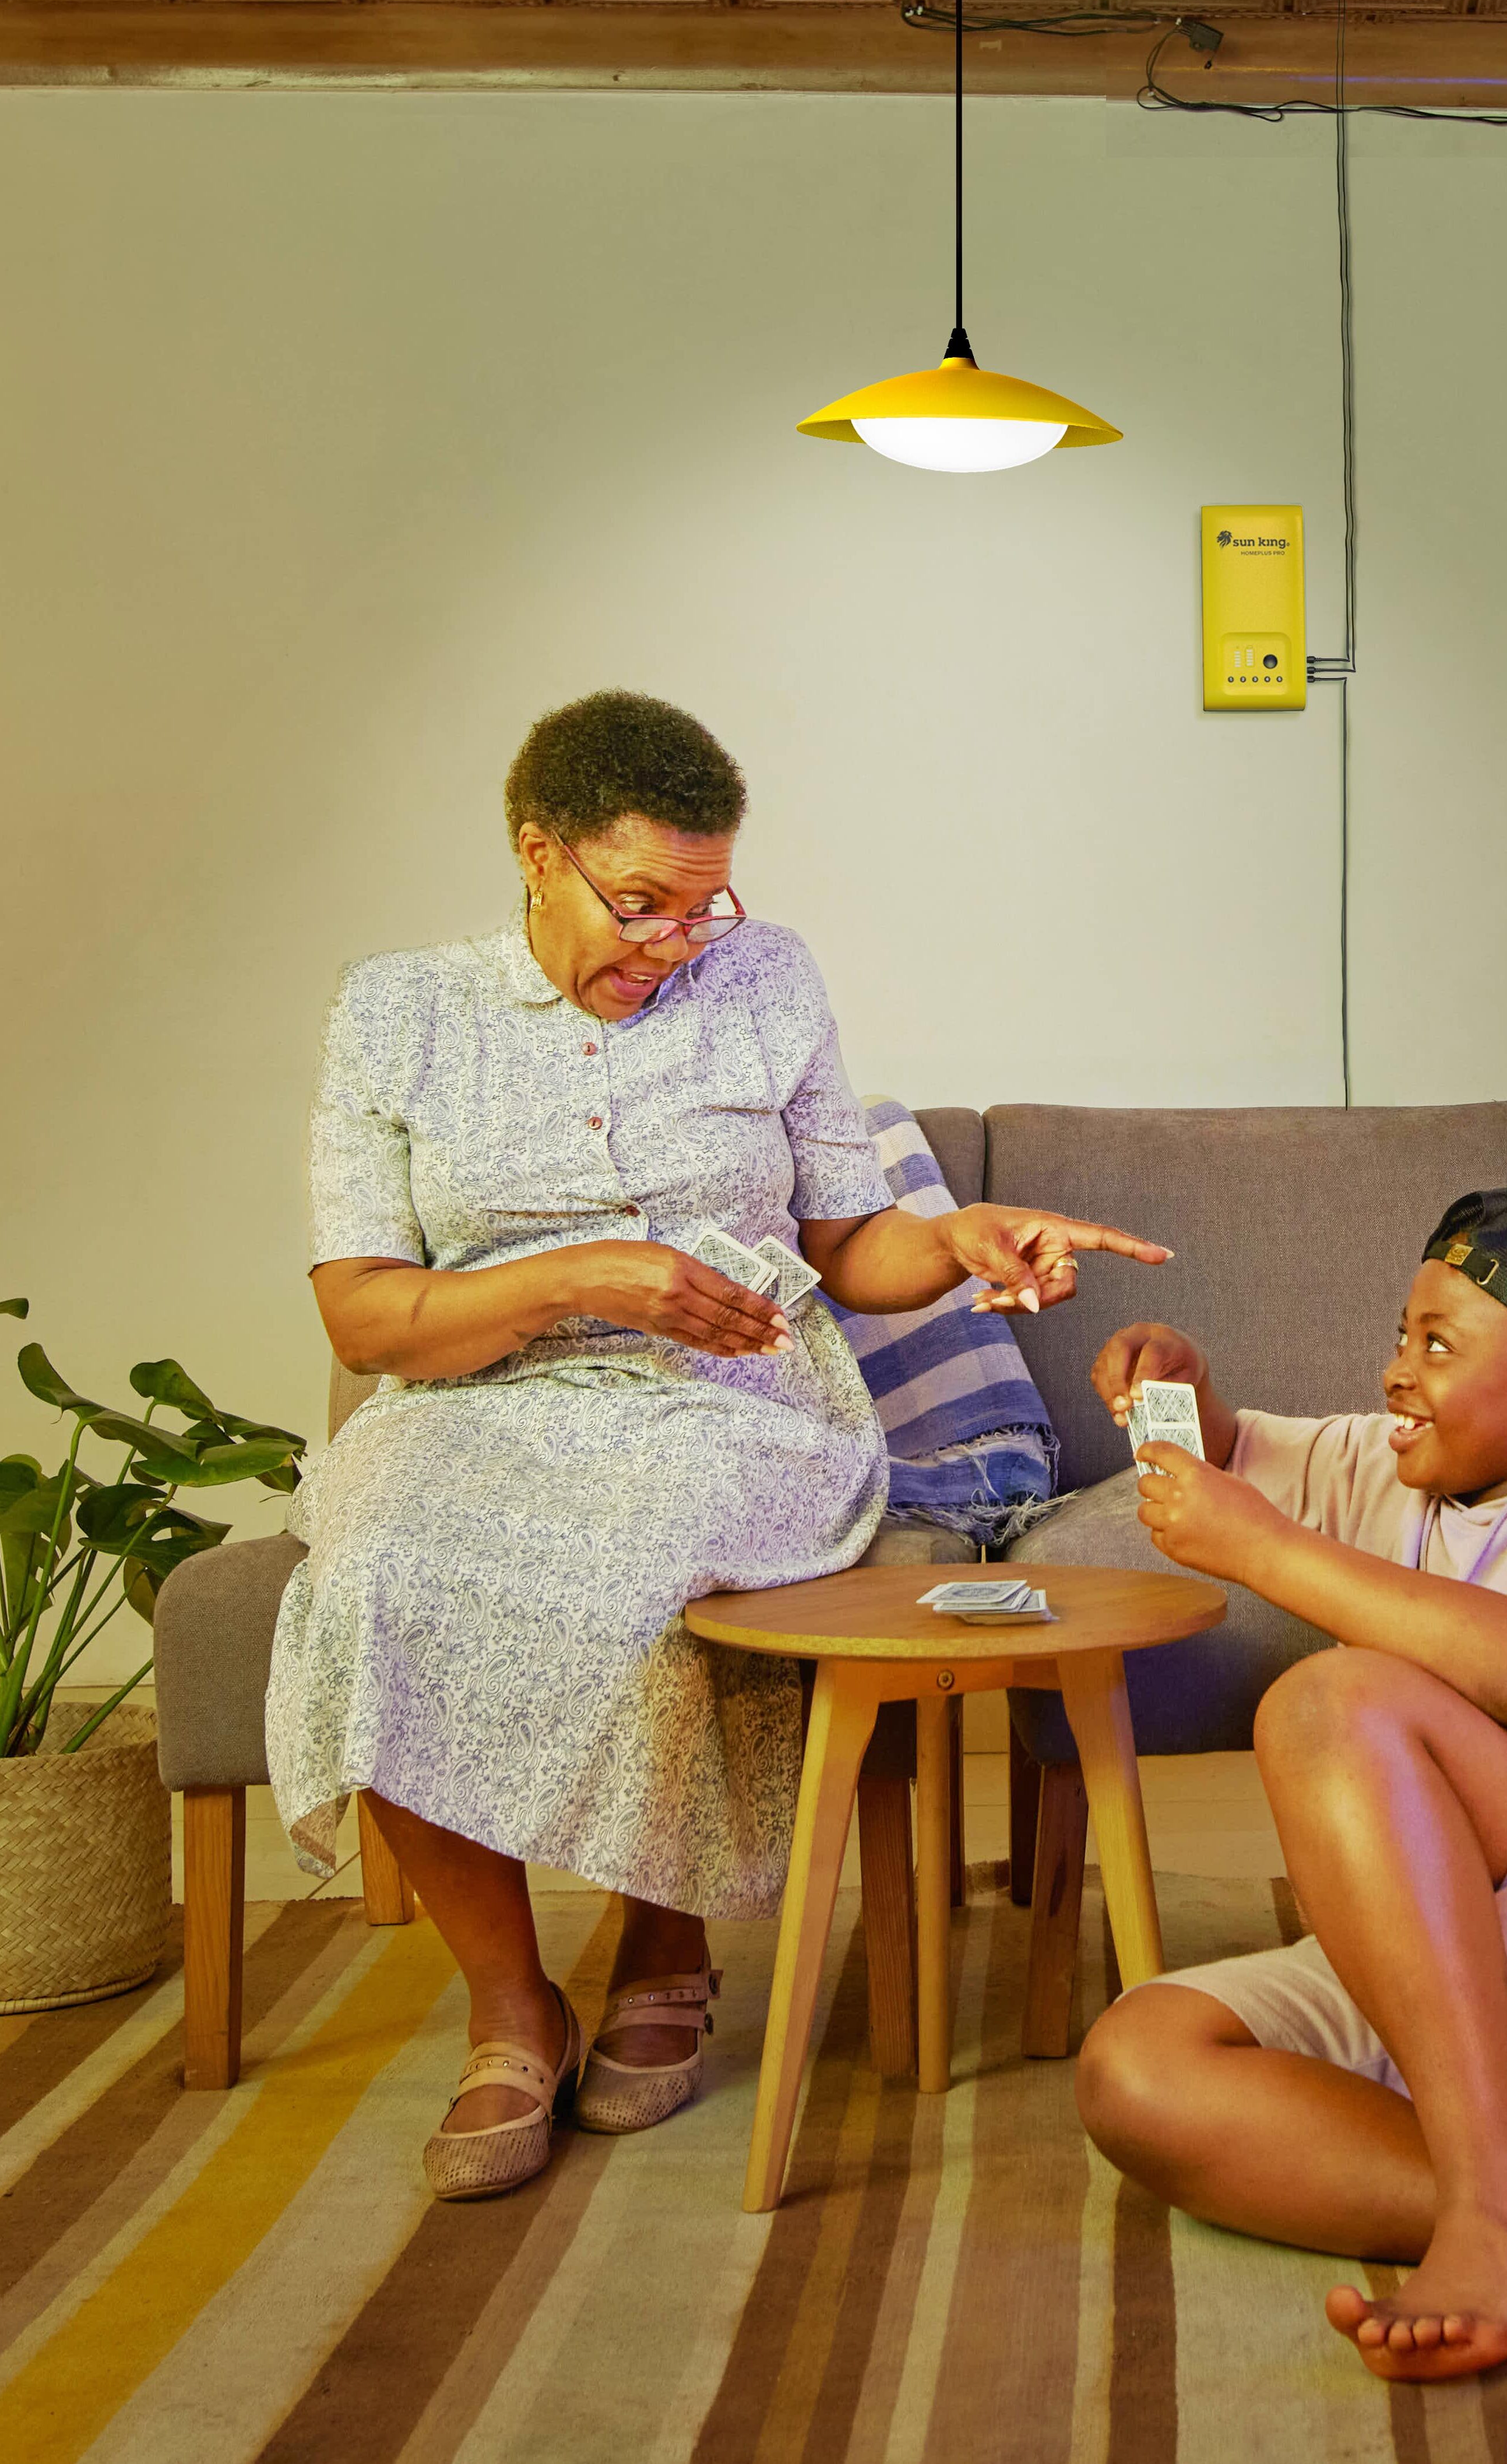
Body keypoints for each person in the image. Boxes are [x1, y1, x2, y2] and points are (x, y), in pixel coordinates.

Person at [267, 688, 1168, 2201]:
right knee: (368, 1572)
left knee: (656, 1561)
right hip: (476, 1403)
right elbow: (365, 1313)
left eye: (704, 904)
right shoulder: (397, 1011)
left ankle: (666, 1942)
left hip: (724, 1400)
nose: (676, 941)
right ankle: (511, 2003)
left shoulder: (769, 981)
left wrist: (955, 1236)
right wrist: (574, 1275)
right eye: (637, 904)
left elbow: (843, 1239)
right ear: (535, 853)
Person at [1071, 1189, 1507, 2381]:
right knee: (1138, 2066)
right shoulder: (1391, 1466)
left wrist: (1260, 1548)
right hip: (1478, 1993)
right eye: (1402, 1334)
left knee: (1334, 1698)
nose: (1397, 1371)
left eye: (1438, 1345)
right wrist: (1184, 1396)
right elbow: (1234, 1454)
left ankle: (1502, 2220)